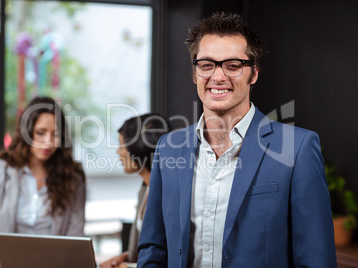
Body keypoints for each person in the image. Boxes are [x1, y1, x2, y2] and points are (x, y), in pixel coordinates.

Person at [137, 12, 337, 267]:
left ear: (253, 74)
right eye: (207, 65)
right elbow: (154, 248)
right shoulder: (169, 148)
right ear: (194, 73)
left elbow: (316, 259)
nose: (218, 77)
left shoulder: (297, 149)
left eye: (233, 65)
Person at [0, 96, 86, 268]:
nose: (48, 142)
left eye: (55, 135)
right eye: (40, 132)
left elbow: (75, 238)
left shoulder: (73, 176)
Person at [100, 113, 172, 268]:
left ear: (137, 146)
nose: (118, 152)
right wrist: (126, 257)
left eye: (121, 145)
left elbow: (167, 256)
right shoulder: (145, 189)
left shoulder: (169, 196)